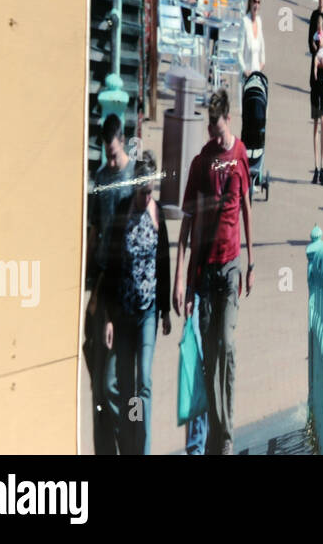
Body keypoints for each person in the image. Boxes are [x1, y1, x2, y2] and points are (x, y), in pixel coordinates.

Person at [174, 88, 254, 455]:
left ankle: (225, 438)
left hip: (231, 267)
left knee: (227, 345)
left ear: (229, 121)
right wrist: (182, 280)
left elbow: (247, 209)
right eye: (210, 128)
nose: (213, 134)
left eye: (218, 128)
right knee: (208, 357)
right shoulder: (200, 162)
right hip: (204, 273)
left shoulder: (239, 156)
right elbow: (187, 225)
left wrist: (251, 262)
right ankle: (213, 439)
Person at [97, 150, 170, 455]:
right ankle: (128, 439)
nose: (146, 197)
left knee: (145, 382)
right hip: (124, 313)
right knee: (117, 385)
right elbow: (112, 268)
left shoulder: (157, 214)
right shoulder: (124, 212)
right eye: (142, 191)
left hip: (148, 313)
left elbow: (164, 262)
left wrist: (166, 310)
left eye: (150, 191)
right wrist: (109, 318)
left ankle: (143, 448)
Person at [86, 115, 134, 455]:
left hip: (123, 290)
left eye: (115, 153)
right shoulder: (101, 179)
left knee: (113, 383)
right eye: (108, 154)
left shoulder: (133, 180)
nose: (112, 160)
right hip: (101, 286)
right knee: (98, 384)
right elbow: (94, 231)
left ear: (123, 142)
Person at [310, 10, 323, 185]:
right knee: (317, 123)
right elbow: (314, 50)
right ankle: (316, 167)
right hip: (316, 82)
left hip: (322, 82)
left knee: (322, 122)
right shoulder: (315, 36)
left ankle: (321, 166)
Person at [241, 0, 265, 79]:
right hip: (246, 74)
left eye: (258, 2)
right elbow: (239, 51)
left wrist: (262, 63)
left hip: (256, 74)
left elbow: (262, 46)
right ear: (250, 2)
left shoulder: (259, 21)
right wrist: (245, 70)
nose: (256, 5)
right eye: (254, 1)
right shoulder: (245, 22)